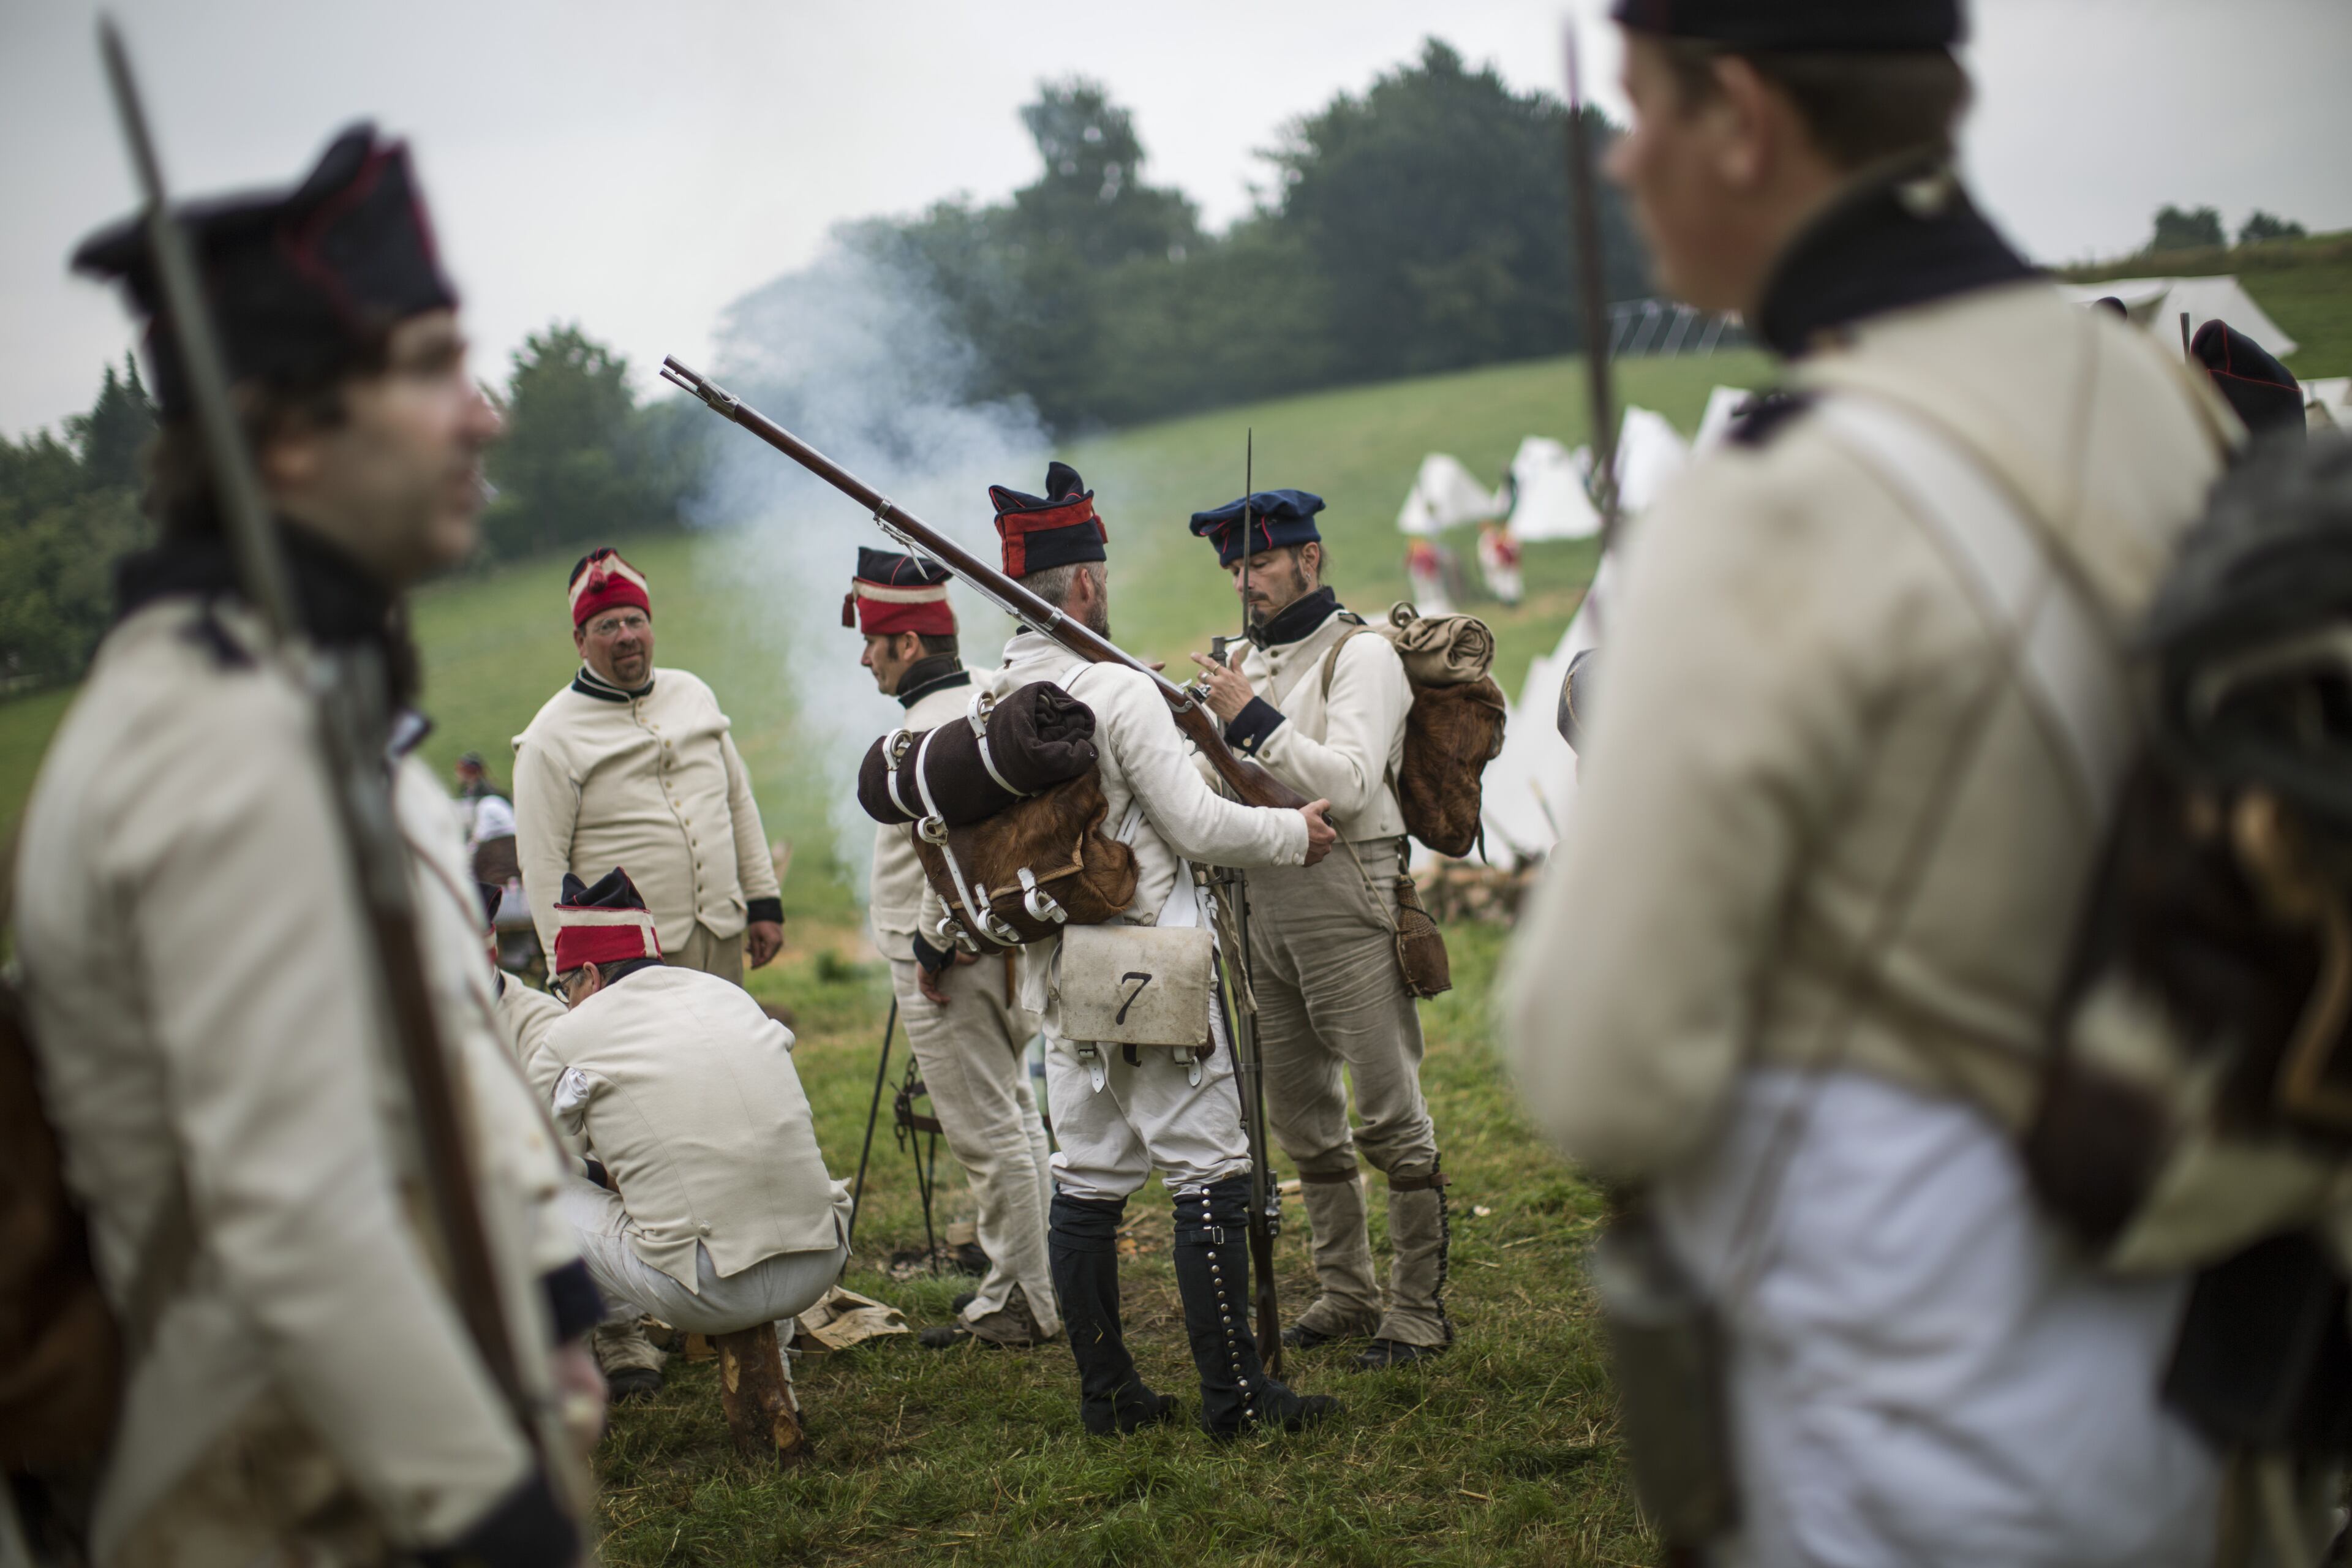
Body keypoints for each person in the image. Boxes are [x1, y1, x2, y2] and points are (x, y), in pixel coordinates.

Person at [1502, 4, 2240, 1564]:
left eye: (1637, 107)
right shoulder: (2162, 403)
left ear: (1745, 117)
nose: (1620, 158)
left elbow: (1594, 1068)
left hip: (1925, 1405)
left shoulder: (1768, 509)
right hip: (2197, 1345)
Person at [22, 124, 598, 1567]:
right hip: (297, 1483)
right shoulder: (224, 736)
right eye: (420, 365)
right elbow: (290, 1212)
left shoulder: (275, 692)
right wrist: (497, 1515)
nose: (482, 417)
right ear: (285, 432)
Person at [953, 461, 1343, 1438]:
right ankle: (1239, 1398)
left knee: (1086, 1180)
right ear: (1084, 583)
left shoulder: (989, 698)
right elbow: (1200, 827)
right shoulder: (1115, 690)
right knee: (1212, 1172)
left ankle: (1108, 1395)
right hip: (1155, 965)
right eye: (1103, 572)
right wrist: (1297, 834)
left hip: (1061, 972)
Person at [1183, 491, 1453, 1370]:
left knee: (1387, 1113)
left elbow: (1346, 780)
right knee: (1300, 1119)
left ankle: (1416, 1310)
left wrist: (1248, 718)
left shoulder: (1360, 653)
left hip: (1345, 889)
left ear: (1310, 557)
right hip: (1255, 897)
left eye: (1259, 562)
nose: (1245, 582)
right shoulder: (1236, 662)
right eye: (1234, 568)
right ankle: (1346, 1291)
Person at [522, 869, 849, 1456]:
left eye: (563, 987)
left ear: (590, 976)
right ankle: (784, 1395)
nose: (564, 1001)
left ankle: (554, 1401)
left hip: (706, 1287)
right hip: (821, 1261)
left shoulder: (575, 1029)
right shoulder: (726, 993)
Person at [848, 548, 1058, 1350]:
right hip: (990, 947)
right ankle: (1035, 1284)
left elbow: (957, 849)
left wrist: (934, 948)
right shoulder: (982, 699)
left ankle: (1023, 1301)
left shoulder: (930, 726)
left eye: (875, 640)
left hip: (950, 957)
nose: (865, 655)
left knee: (985, 1131)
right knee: (1011, 1116)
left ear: (906, 644)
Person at [511, 548, 784, 986]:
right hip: (629, 961)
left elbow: (738, 802)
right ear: (580, 642)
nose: (626, 636)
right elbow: (543, 866)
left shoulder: (694, 693)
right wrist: (565, 974)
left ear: (651, 628)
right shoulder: (548, 738)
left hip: (722, 934)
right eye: (607, 626)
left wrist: (764, 901)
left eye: (635, 621)